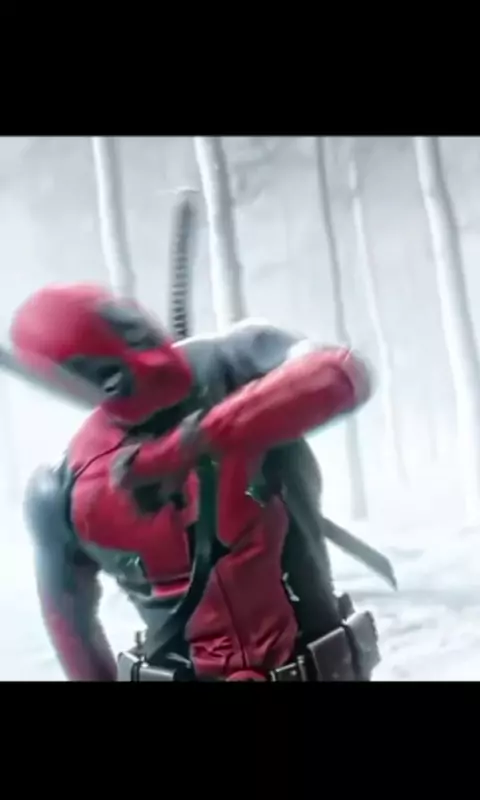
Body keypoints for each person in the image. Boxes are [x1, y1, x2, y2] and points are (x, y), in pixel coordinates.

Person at [10, 282, 380, 682]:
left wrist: (189, 447)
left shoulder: (241, 359)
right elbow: (75, 639)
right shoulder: (62, 490)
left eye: (132, 330)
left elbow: (342, 374)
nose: (144, 358)